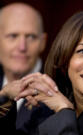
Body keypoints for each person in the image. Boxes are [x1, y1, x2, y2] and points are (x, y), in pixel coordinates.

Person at [0, 2, 53, 135]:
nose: (22, 47)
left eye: (31, 37)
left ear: (43, 42)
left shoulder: (60, 89)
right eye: (13, 36)